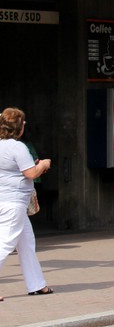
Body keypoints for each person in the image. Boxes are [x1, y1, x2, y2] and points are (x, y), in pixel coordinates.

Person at [0, 107, 53, 298]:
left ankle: (37, 284)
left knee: (26, 244)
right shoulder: (18, 147)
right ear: (19, 127)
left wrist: (34, 165)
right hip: (14, 203)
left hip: (5, 200)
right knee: (5, 244)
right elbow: (30, 173)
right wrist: (44, 164)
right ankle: (36, 285)